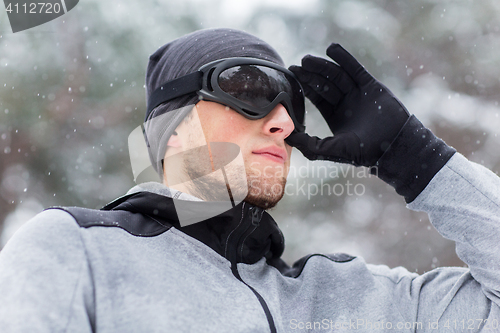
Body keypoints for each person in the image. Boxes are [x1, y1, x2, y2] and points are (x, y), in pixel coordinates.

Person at [0, 27, 499, 333]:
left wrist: (415, 157)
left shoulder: (349, 299)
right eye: (250, 88)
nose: (284, 123)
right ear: (173, 132)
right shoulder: (77, 251)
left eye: (292, 107)